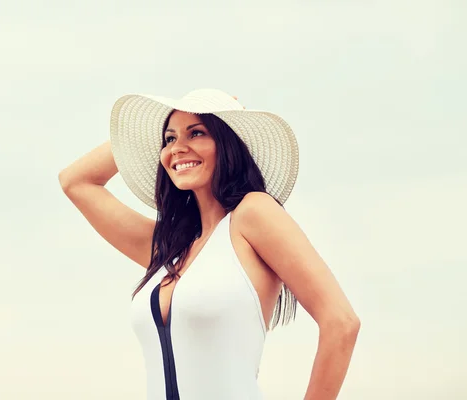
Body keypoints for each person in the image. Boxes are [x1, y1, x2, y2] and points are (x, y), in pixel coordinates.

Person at [59, 89, 360, 400]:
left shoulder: (253, 214)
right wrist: (148, 131)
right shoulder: (169, 249)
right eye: (169, 138)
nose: (178, 148)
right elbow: (75, 181)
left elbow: (341, 322)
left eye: (197, 133)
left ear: (227, 143)